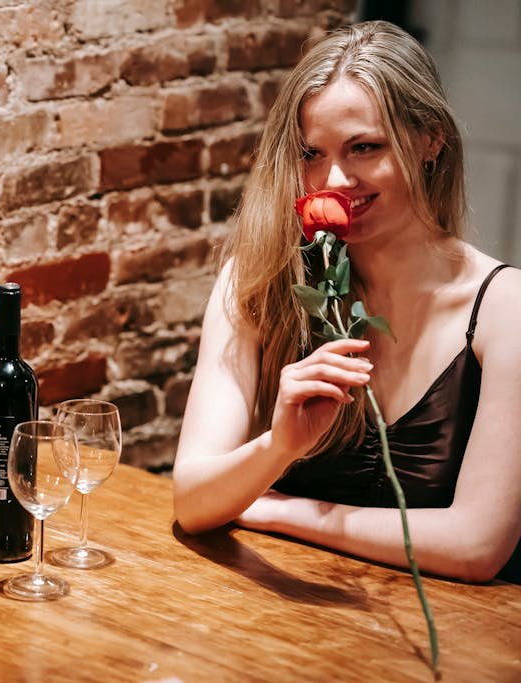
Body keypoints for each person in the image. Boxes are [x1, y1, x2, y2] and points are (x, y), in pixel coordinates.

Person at [172, 21, 521, 584]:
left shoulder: (507, 310)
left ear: (430, 139)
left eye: (365, 147)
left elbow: (475, 546)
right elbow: (193, 501)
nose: (333, 178)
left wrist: (277, 509)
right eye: (312, 153)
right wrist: (278, 447)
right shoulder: (255, 280)